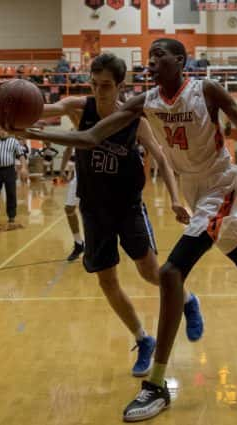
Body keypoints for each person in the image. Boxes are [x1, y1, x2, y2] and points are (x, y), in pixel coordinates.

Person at [0, 38, 237, 421]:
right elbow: (92, 137)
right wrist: (34, 134)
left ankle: (156, 385)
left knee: (171, 272)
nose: (153, 60)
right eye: (149, 56)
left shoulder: (206, 90)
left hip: (219, 184)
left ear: (181, 60)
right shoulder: (145, 102)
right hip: (195, 190)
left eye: (161, 55)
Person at [24, 52, 205, 378]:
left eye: (105, 85)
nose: (98, 91)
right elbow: (36, 109)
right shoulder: (80, 107)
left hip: (127, 206)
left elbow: (162, 160)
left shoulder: (133, 118)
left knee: (151, 273)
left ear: (120, 86)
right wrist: (4, 103)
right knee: (107, 280)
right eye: (94, 84)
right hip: (93, 209)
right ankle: (142, 338)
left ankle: (189, 300)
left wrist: (177, 199)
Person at [58, 147, 85, 261]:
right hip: (79, 176)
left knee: (92, 211)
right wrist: (62, 168)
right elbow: (68, 149)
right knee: (69, 208)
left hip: (95, 176)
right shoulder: (75, 130)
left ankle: (96, 244)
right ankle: (78, 243)